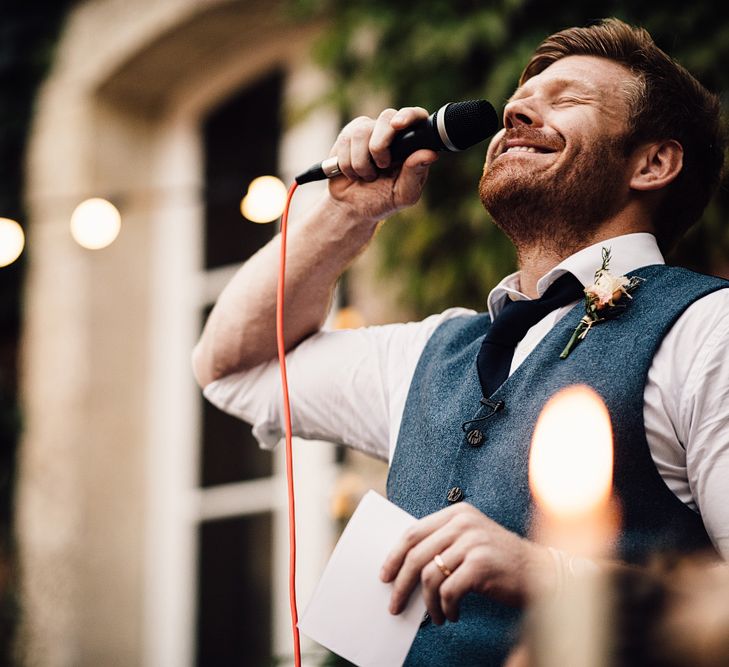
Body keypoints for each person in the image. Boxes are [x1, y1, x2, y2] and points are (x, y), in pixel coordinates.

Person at [193, 18, 729, 665]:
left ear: (652, 162)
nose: (517, 111)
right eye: (518, 104)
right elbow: (236, 370)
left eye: (566, 100)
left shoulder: (706, 329)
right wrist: (345, 211)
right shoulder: (429, 350)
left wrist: (549, 574)